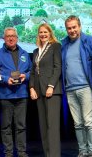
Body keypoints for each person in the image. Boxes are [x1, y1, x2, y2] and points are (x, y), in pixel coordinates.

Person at [61, 16, 92, 157]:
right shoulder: (63, 44)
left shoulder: (89, 41)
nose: (72, 30)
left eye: (74, 27)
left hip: (86, 87)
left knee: (89, 122)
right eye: (69, 28)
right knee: (78, 123)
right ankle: (83, 151)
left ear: (80, 26)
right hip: (70, 89)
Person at [0, 27, 32, 157]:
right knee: (6, 127)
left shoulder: (25, 53)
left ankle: (21, 152)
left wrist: (26, 76)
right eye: (8, 36)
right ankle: (8, 153)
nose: (11, 38)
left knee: (21, 126)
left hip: (21, 94)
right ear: (4, 38)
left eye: (13, 35)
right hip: (4, 95)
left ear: (17, 38)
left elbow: (32, 71)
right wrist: (4, 79)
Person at [29, 23, 62, 157]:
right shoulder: (36, 51)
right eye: (41, 32)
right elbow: (32, 72)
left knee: (52, 126)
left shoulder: (55, 46)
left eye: (45, 32)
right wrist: (31, 88)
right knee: (43, 126)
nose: (43, 34)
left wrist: (51, 86)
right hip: (38, 91)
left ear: (50, 33)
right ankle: (47, 154)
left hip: (51, 91)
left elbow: (57, 67)